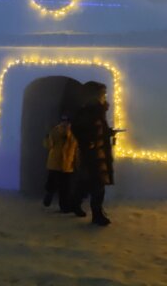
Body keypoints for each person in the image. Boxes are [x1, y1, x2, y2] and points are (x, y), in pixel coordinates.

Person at [71, 81, 116, 226]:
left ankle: (76, 203)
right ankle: (97, 214)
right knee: (97, 183)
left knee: (89, 182)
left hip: (99, 152)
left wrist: (108, 133)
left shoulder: (98, 111)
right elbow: (78, 129)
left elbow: (98, 130)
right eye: (103, 93)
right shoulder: (89, 111)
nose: (104, 96)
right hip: (93, 154)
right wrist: (87, 143)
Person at [42, 113, 78, 212]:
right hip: (59, 164)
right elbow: (49, 145)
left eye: (66, 121)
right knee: (57, 185)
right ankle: (59, 202)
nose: (65, 124)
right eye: (63, 121)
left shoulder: (70, 134)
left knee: (63, 187)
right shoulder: (57, 132)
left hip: (63, 165)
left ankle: (63, 205)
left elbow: (75, 150)